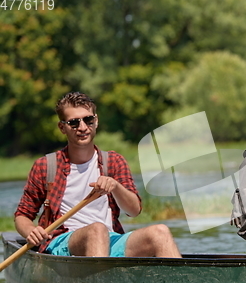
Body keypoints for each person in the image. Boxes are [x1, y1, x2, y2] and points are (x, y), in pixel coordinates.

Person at [14, 92, 182, 258]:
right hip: (62, 241)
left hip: (111, 239)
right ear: (62, 127)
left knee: (160, 232)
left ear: (96, 121)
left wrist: (115, 187)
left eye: (88, 120)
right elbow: (22, 215)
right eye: (74, 122)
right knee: (97, 230)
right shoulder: (46, 166)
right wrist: (31, 231)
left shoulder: (114, 161)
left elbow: (134, 210)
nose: (82, 127)